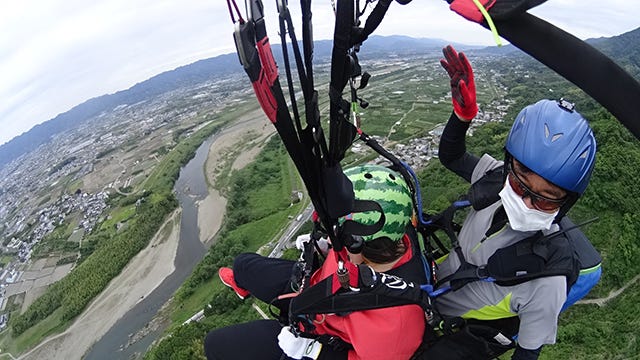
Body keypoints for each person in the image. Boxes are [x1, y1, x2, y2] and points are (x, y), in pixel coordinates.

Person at [429, 45, 597, 360]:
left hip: (451, 328)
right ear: (509, 166)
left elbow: (527, 354)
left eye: (547, 199)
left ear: (567, 203)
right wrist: (462, 117)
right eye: (520, 183)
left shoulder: (549, 282)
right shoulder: (496, 179)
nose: (526, 202)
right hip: (430, 283)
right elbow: (453, 157)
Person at [204, 164, 426, 360]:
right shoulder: (394, 234)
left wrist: (312, 351)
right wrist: (328, 248)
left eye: (335, 232)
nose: (331, 236)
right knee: (243, 265)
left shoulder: (397, 324)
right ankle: (242, 285)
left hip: (319, 331)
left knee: (216, 345)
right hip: (319, 288)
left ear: (355, 244)